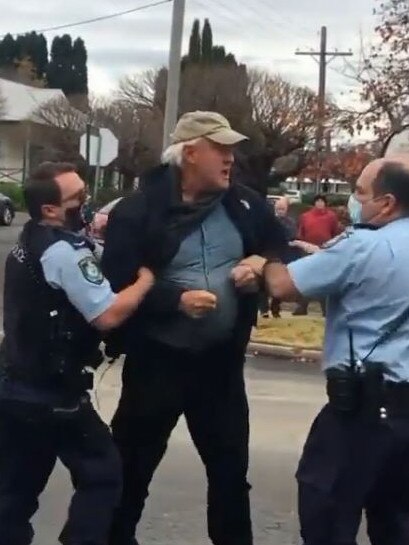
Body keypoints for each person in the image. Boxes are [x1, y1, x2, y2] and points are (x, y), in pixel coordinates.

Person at [101, 111, 288, 545]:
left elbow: (279, 245)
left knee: (229, 478)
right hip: (156, 365)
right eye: (220, 149)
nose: (230, 159)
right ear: (190, 153)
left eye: (231, 150)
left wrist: (260, 263)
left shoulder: (246, 204)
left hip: (219, 368)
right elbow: (114, 284)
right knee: (129, 472)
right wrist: (174, 301)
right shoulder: (138, 211)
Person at [0, 161, 155, 545]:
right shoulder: (65, 254)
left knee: (16, 492)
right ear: (50, 209)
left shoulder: (29, 242)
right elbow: (108, 314)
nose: (84, 204)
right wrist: (147, 280)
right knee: (103, 475)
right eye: (77, 198)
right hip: (56, 395)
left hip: (16, 386)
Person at [258, 156, 409, 545]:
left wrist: (265, 260)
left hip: (362, 409)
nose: (354, 203)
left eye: (360, 192)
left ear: (387, 203)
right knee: (396, 520)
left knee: (325, 506)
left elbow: (283, 286)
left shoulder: (362, 245)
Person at [294, 194, 338, 316]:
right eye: (317, 201)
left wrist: (330, 247)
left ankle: (325, 309)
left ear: (325, 203)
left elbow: (334, 233)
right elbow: (300, 232)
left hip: (324, 251)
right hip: (307, 251)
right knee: (306, 278)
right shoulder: (305, 216)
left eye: (322, 201)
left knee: (323, 280)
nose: (320, 203)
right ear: (314, 203)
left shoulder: (331, 216)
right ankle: (302, 307)